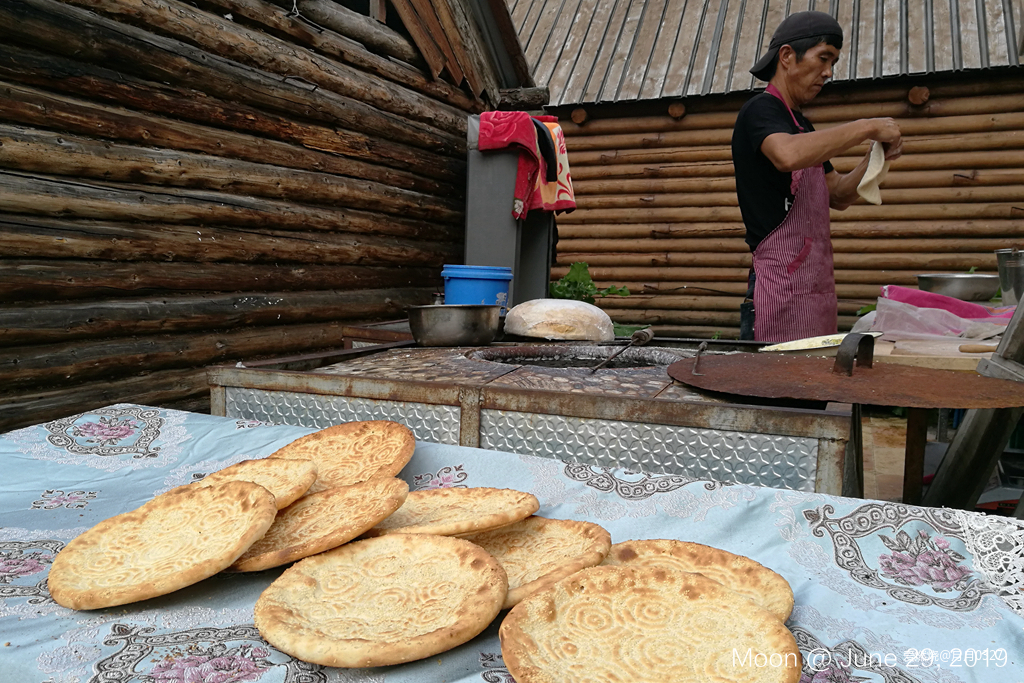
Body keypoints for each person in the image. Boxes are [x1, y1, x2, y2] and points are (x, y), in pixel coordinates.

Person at [732, 11, 903, 343]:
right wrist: (866, 125)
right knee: (773, 389)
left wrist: (874, 156)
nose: (828, 73)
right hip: (778, 288)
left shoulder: (801, 125)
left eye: (833, 63)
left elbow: (837, 194)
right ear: (786, 56)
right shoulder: (760, 110)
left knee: (810, 385)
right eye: (824, 58)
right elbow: (787, 155)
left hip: (814, 287)